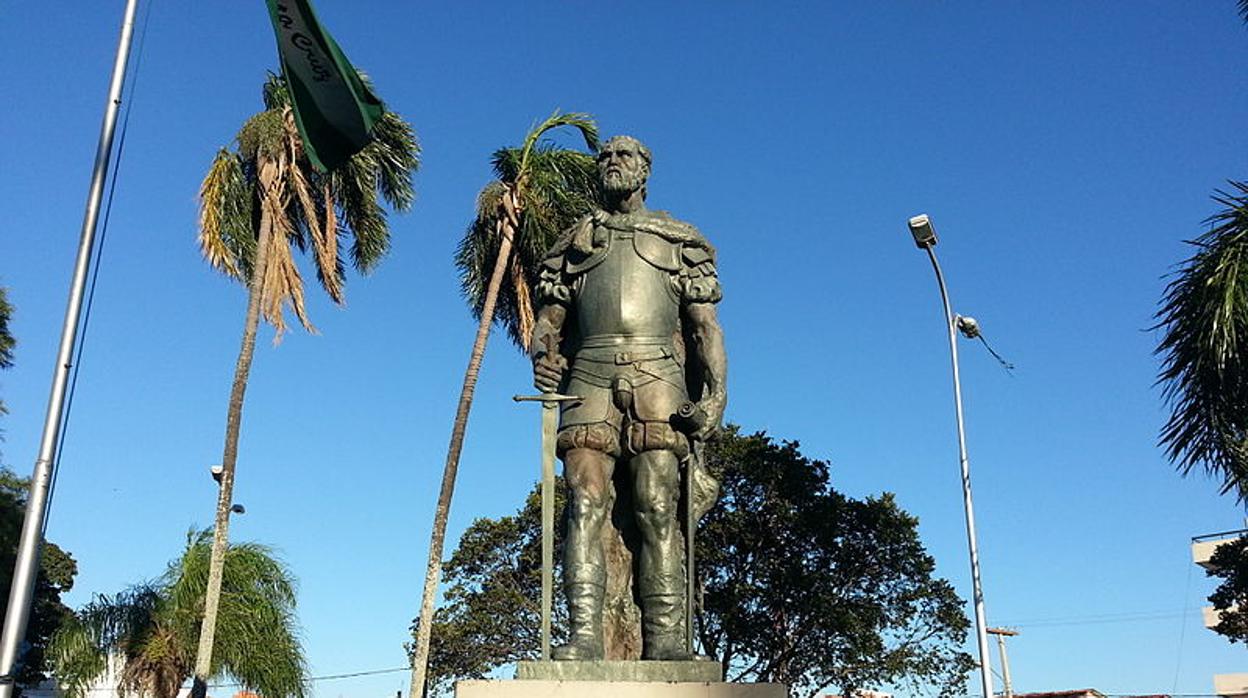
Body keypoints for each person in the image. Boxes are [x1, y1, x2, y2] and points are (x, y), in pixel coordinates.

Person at [531, 135, 728, 661]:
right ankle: (584, 635)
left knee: (657, 506)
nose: (613, 163)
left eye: (625, 157)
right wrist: (543, 353)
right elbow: (550, 319)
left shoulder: (678, 240)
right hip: (589, 375)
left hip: (659, 377)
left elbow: (705, 327)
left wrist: (715, 397)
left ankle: (665, 637)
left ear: (645, 171)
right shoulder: (575, 244)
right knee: (584, 504)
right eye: (607, 156)